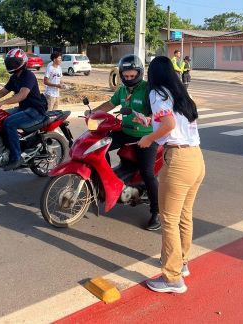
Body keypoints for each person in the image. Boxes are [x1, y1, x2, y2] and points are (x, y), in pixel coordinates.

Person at [137, 56, 205, 293]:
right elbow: (171, 122)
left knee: (169, 220)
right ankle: (181, 263)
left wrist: (148, 138)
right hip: (196, 158)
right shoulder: (181, 95)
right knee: (185, 216)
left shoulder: (157, 93)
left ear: (153, 74)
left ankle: (172, 278)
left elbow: (168, 125)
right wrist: (147, 121)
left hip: (178, 161)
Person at [86, 54, 160, 231]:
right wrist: (91, 113)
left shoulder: (148, 89)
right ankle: (105, 182)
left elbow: (157, 113)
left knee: (147, 172)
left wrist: (147, 119)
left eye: (131, 75)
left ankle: (156, 212)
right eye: (125, 76)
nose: (128, 78)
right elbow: (109, 105)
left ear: (139, 73)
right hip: (125, 132)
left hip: (145, 136)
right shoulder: (122, 90)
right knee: (96, 148)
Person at [0, 48, 46, 171]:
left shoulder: (28, 75)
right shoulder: (14, 77)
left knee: (9, 123)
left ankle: (16, 157)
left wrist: (1, 103)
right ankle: (5, 148)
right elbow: (2, 92)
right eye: (9, 62)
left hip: (35, 110)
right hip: (23, 108)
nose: (11, 65)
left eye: (14, 62)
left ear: (21, 62)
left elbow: (22, 95)